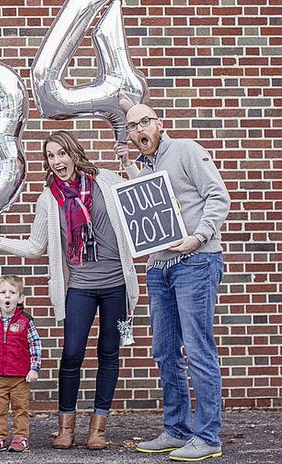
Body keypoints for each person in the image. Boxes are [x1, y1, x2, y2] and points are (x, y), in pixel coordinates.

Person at [0, 130, 139, 450]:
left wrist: (129, 162)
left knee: (109, 352)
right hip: (80, 285)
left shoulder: (105, 180)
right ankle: (66, 427)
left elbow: (140, 195)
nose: (56, 161)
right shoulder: (49, 198)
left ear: (73, 153)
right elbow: (37, 245)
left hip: (116, 285)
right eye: (51, 156)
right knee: (71, 354)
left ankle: (97, 428)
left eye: (61, 153)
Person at [115, 104, 230, 462]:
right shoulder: (144, 165)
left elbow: (219, 195)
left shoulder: (186, 150)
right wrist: (129, 169)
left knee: (198, 350)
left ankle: (208, 436)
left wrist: (199, 236)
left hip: (196, 261)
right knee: (165, 351)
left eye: (145, 122)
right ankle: (176, 430)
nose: (139, 129)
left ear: (160, 124)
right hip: (159, 267)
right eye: (133, 126)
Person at [0, 275, 41, 453]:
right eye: (3, 292)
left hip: (20, 376)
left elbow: (35, 345)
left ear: (20, 298)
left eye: (12, 293)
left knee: (20, 408)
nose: (7, 296)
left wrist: (34, 368)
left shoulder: (26, 321)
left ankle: (20, 437)